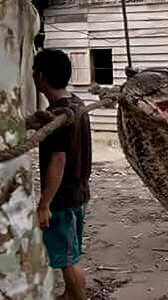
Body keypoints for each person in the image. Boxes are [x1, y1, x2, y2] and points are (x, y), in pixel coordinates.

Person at [32, 49, 91, 300]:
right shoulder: (76, 104)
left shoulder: (60, 115)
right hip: (79, 192)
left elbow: (58, 160)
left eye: (34, 72)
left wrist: (44, 204)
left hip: (63, 198)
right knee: (73, 251)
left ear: (41, 76)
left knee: (69, 259)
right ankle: (70, 294)